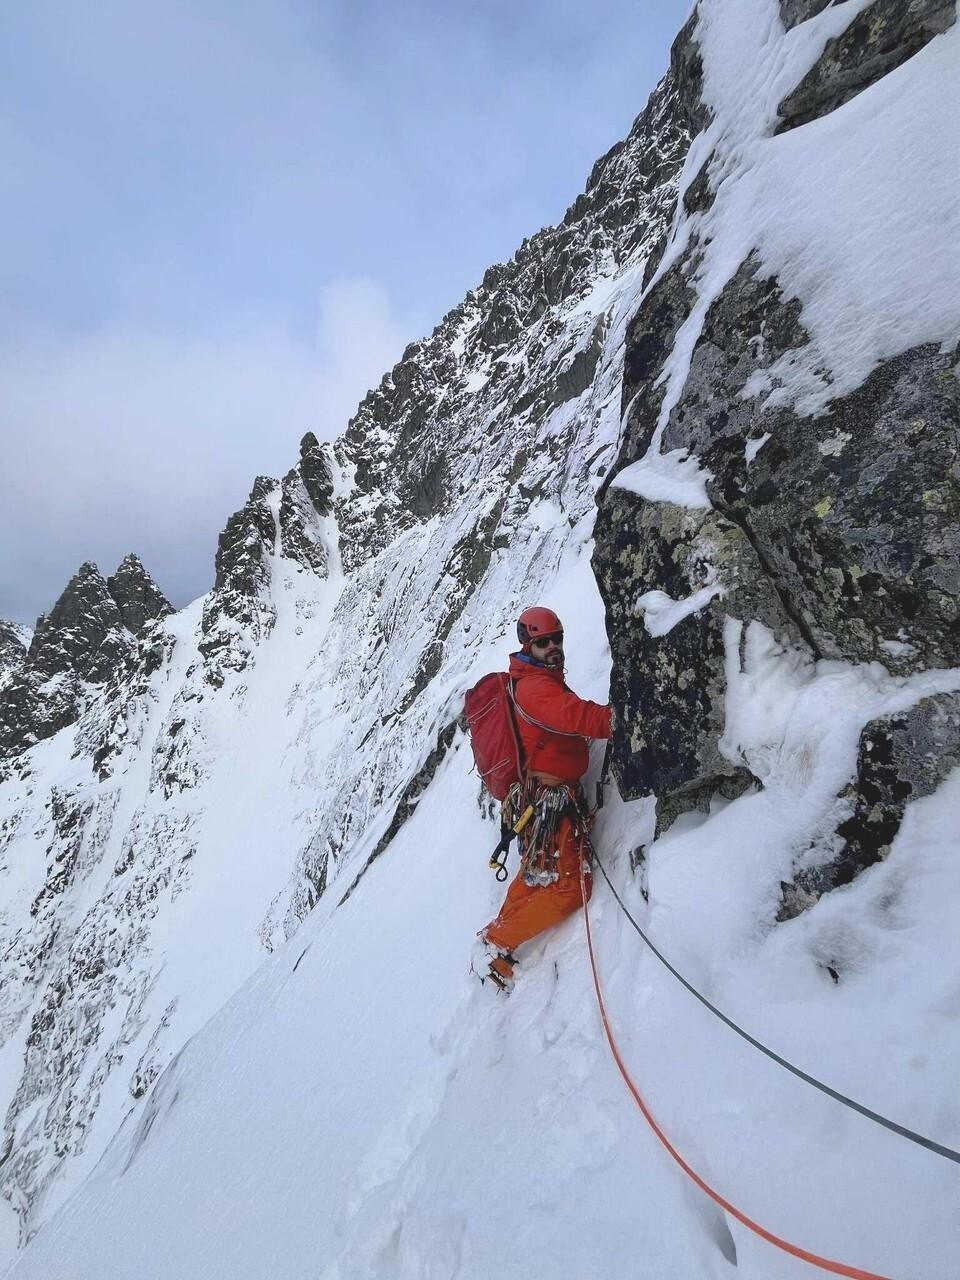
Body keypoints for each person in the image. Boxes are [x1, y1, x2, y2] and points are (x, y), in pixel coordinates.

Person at [477, 606, 611, 992]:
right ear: (527, 644)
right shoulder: (536, 687)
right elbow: (575, 716)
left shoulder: (538, 677)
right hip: (550, 801)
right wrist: (620, 721)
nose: (554, 647)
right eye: (543, 642)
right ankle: (496, 942)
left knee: (538, 874)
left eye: (558, 639)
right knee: (571, 887)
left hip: (543, 800)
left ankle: (493, 942)